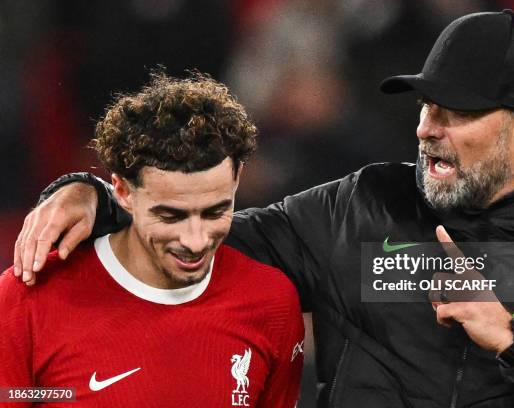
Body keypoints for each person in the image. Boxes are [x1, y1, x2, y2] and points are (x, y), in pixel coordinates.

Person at [12, 9, 514, 407]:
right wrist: (92, 195)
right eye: (427, 107)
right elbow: (206, 234)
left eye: (458, 113)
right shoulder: (365, 207)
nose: (428, 129)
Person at [1, 72, 304, 407]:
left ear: (238, 180)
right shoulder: (27, 300)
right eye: (171, 216)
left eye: (215, 212)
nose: (195, 240)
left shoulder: (273, 303)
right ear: (122, 190)